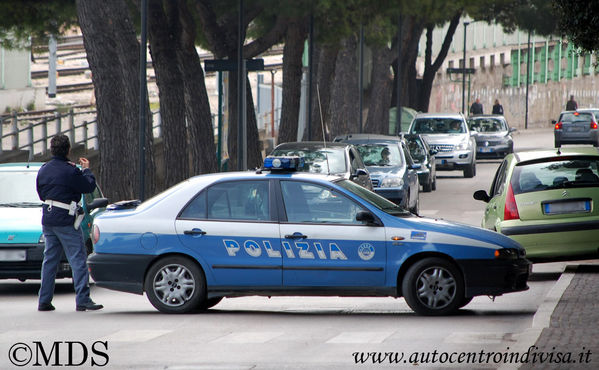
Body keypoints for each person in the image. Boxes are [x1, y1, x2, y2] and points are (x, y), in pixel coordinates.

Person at [36, 134, 103, 312]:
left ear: (52, 150)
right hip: (66, 220)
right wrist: (87, 170)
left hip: (48, 219)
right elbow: (88, 187)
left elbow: (41, 194)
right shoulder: (71, 170)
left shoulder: (43, 169)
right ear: (68, 150)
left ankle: (44, 301)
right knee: (78, 258)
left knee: (50, 260)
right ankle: (83, 300)